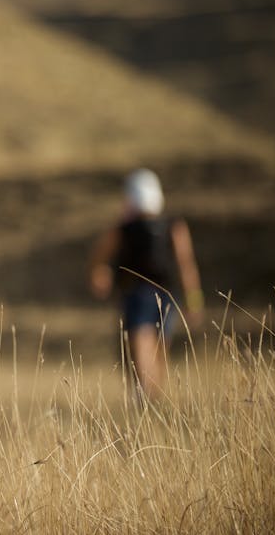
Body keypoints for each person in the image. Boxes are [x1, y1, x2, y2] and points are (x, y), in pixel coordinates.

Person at [88, 169, 204, 401]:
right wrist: (193, 300)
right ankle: (149, 402)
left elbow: (99, 257)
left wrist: (99, 273)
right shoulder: (170, 226)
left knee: (150, 350)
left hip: (147, 296)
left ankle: (149, 403)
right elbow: (186, 265)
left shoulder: (127, 228)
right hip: (151, 296)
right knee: (152, 350)